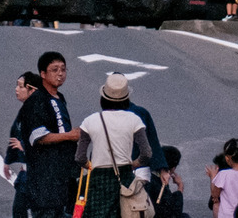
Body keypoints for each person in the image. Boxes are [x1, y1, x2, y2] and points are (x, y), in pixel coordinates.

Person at [15, 51, 81, 218]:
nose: (60, 74)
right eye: (55, 69)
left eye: (63, 69)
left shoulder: (59, 97)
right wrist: (70, 136)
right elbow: (37, 137)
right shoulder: (36, 101)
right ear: (43, 74)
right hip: (44, 180)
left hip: (63, 176)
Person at [75, 75, 151, 218]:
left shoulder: (90, 121)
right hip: (125, 177)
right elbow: (146, 153)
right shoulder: (135, 120)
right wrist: (133, 164)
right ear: (126, 98)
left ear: (103, 98)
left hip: (99, 179)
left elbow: (80, 157)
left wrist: (90, 165)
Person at [6, 72, 40, 218]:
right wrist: (8, 161)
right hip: (27, 172)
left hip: (39, 175)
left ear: (32, 90)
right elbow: (15, 134)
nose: (16, 89)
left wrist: (24, 148)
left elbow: (43, 142)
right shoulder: (25, 110)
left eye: (21, 86)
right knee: (19, 210)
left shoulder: (39, 113)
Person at [154, 149, 183, 218]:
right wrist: (180, 186)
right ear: (173, 168)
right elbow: (175, 213)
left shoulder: (150, 177)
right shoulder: (161, 187)